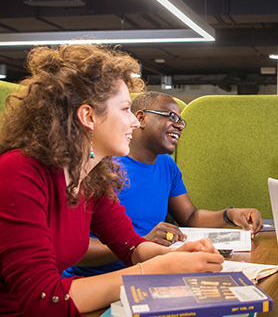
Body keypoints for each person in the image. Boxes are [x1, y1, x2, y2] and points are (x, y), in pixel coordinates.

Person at [0, 45, 224, 317]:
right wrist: (151, 272)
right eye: (126, 109)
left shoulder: (91, 175)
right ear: (88, 116)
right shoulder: (18, 171)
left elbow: (131, 247)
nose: (134, 121)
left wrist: (178, 256)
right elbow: (45, 300)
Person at [65, 91, 263, 277]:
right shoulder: (102, 167)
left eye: (181, 121)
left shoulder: (166, 165)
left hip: (151, 270)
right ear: (141, 118)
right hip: (100, 277)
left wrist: (229, 215)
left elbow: (190, 217)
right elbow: (77, 251)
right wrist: (140, 243)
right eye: (171, 116)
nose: (179, 126)